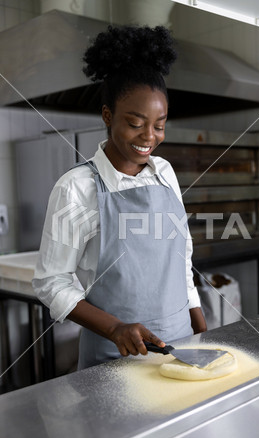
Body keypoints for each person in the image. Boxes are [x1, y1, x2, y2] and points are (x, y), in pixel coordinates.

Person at [32, 25, 207, 370]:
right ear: (108, 116)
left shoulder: (165, 172)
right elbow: (51, 282)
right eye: (136, 122)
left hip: (181, 345)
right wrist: (114, 328)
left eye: (159, 125)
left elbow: (179, 256)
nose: (149, 136)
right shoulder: (77, 187)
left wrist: (198, 319)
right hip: (115, 358)